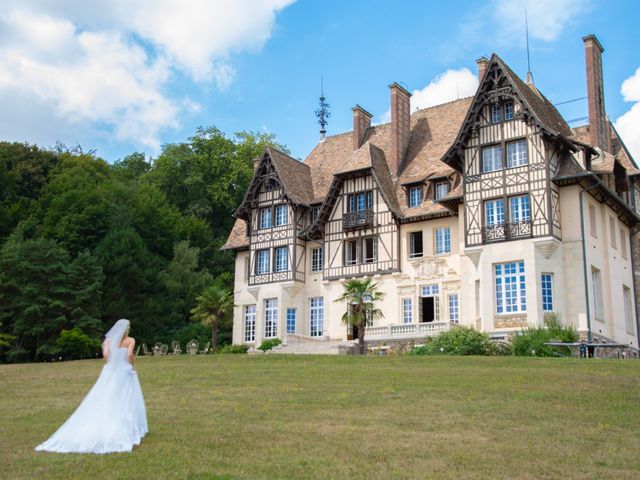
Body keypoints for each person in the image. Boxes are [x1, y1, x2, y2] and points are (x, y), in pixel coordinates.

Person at [36, 319, 148, 454]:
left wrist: (112, 361)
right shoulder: (130, 340)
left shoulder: (109, 341)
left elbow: (106, 355)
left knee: (107, 396)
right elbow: (129, 355)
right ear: (127, 330)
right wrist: (132, 367)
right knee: (126, 398)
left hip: (111, 371)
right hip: (125, 371)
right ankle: (129, 426)